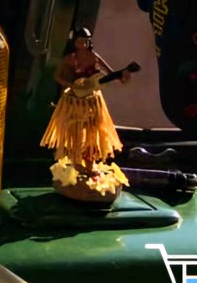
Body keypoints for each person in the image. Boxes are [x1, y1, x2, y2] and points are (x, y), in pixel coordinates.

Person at [40, 27, 131, 174]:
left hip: (93, 101)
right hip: (74, 100)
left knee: (93, 132)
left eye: (86, 41)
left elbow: (110, 73)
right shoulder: (70, 58)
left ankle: (90, 163)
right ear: (74, 42)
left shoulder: (94, 56)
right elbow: (58, 76)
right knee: (75, 132)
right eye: (80, 41)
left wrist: (122, 76)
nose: (83, 44)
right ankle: (75, 162)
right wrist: (74, 86)